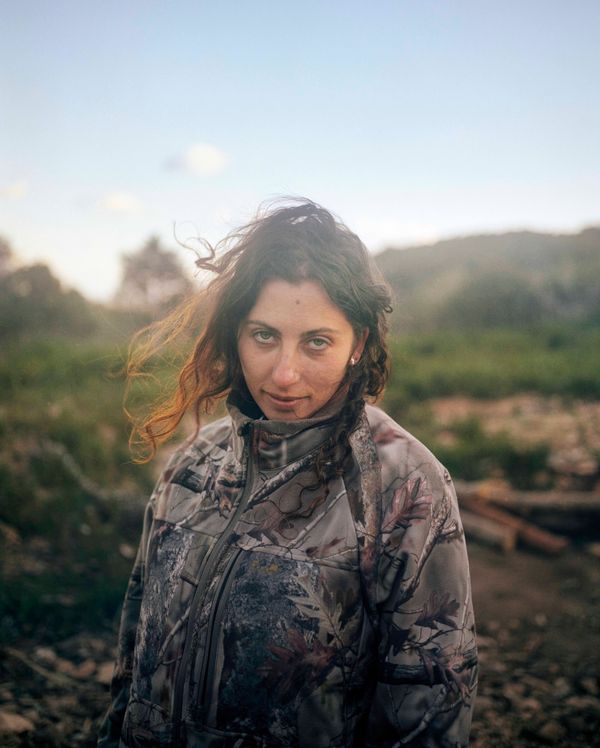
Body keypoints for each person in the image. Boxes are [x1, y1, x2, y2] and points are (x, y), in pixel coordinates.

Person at [98, 200, 478, 747]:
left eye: (317, 341)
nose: (283, 374)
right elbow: (132, 659)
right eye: (264, 336)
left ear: (358, 344)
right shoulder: (192, 465)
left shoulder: (406, 487)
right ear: (236, 332)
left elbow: (430, 713)